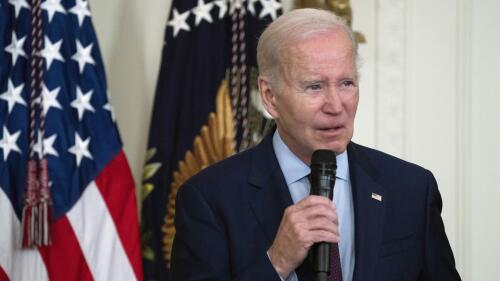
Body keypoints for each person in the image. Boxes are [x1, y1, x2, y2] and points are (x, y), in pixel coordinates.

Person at [170, 8, 461, 281]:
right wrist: (277, 262)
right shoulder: (208, 198)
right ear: (270, 96)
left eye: (346, 83)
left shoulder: (411, 189)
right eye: (314, 86)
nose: (336, 106)